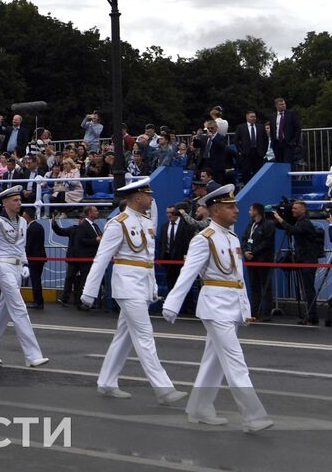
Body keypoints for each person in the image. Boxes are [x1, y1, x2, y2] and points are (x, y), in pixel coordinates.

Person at [162, 185, 274, 433]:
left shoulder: (232, 237)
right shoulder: (204, 239)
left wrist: (244, 309)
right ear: (215, 210)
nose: (236, 210)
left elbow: (238, 279)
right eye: (230, 206)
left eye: (235, 205)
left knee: (213, 361)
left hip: (231, 306)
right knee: (235, 361)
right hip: (214, 307)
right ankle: (253, 416)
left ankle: (199, 408)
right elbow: (188, 273)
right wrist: (172, 303)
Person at [79, 178, 186, 405]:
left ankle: (107, 381)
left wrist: (153, 287)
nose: (151, 199)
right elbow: (102, 258)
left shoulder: (145, 222)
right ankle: (164, 389)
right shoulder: (118, 223)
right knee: (144, 336)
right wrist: (89, 291)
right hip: (127, 286)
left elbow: (148, 259)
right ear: (138, 197)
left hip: (142, 285)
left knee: (124, 337)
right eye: (148, 195)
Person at [0, 186, 46, 366]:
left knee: (4, 311)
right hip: (3, 266)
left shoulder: (23, 222)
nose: (19, 203)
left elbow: (21, 247)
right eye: (15, 200)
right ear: (5, 202)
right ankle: (32, 355)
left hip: (17, 268)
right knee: (19, 307)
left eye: (19, 199)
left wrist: (24, 264)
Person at [273, 199, 323, 325]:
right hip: (303, 259)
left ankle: (312, 316)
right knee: (306, 289)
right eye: (292, 208)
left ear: (303, 210)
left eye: (295, 208)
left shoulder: (305, 223)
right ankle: (310, 315)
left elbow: (293, 231)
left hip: (308, 259)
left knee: (308, 289)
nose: (292, 210)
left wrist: (280, 219)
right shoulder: (299, 222)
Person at [51, 206, 102, 306]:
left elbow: (98, 238)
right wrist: (54, 225)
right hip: (74, 258)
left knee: (81, 279)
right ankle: (66, 298)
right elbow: (61, 232)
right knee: (70, 278)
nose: (80, 220)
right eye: (79, 218)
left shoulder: (94, 227)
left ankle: (78, 300)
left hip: (84, 258)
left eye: (82, 218)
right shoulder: (74, 229)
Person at [243, 203, 277, 322]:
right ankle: (254, 312)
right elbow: (245, 238)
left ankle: (266, 313)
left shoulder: (269, 224)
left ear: (257, 211)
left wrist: (253, 252)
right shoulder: (251, 224)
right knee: (254, 287)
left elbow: (267, 242)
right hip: (251, 261)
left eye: (251, 209)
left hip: (263, 260)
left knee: (266, 286)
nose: (249, 211)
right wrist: (245, 251)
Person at [234, 112, 269, 184]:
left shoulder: (260, 127)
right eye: (252, 117)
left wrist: (263, 152)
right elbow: (236, 140)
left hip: (258, 153)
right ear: (247, 117)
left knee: (258, 172)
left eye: (255, 117)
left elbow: (265, 140)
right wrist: (240, 151)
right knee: (246, 172)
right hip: (246, 154)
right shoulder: (241, 127)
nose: (254, 118)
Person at [23, 207, 46, 309]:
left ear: (27, 216)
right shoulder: (39, 226)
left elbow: (29, 245)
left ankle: (38, 301)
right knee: (37, 280)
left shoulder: (31, 228)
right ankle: (38, 301)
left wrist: (25, 258)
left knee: (35, 280)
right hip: (40, 257)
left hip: (34, 258)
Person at [270, 98, 301, 165]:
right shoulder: (273, 116)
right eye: (281, 104)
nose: (283, 106)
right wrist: (273, 141)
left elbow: (297, 128)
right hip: (277, 143)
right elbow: (272, 129)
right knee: (279, 163)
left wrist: (294, 141)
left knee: (288, 162)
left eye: (284, 104)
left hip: (288, 143)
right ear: (276, 106)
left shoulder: (291, 114)